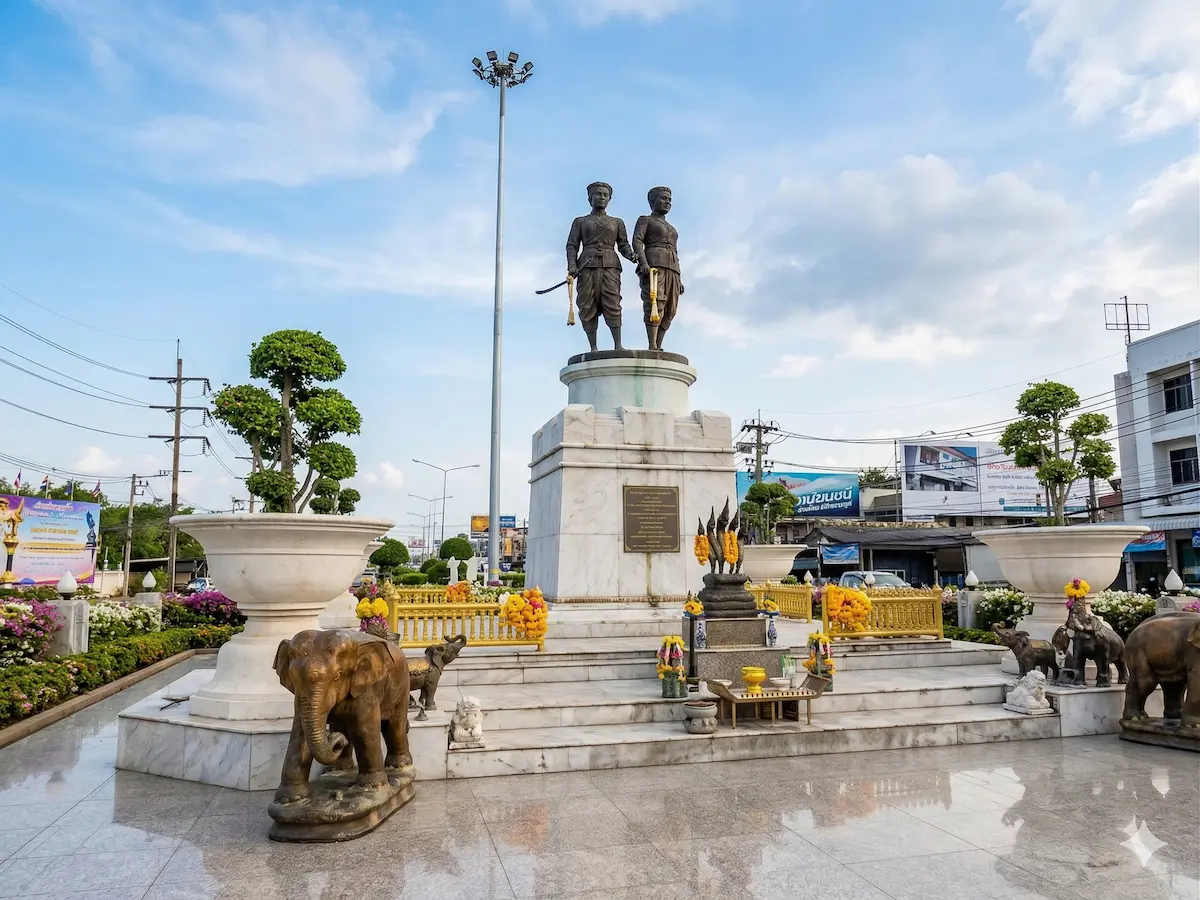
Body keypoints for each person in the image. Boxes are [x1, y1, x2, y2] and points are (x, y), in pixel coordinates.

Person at [565, 182, 637, 352]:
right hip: (586, 266)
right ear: (590, 198)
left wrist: (632, 256)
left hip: (610, 265)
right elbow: (572, 245)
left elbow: (624, 245)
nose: (602, 197)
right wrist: (572, 266)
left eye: (605, 195)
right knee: (587, 303)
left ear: (609, 199)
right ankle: (593, 347)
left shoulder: (617, 222)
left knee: (612, 302)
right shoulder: (580, 221)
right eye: (598, 194)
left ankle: (618, 345)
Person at [633, 186, 683, 351]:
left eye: (669, 199)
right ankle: (652, 344)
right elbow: (637, 241)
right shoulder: (646, 220)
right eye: (663, 198)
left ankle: (659, 344)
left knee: (670, 308)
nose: (667, 202)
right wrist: (643, 262)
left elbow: (676, 251)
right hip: (654, 266)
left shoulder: (672, 227)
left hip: (672, 268)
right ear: (653, 201)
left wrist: (679, 277)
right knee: (655, 303)